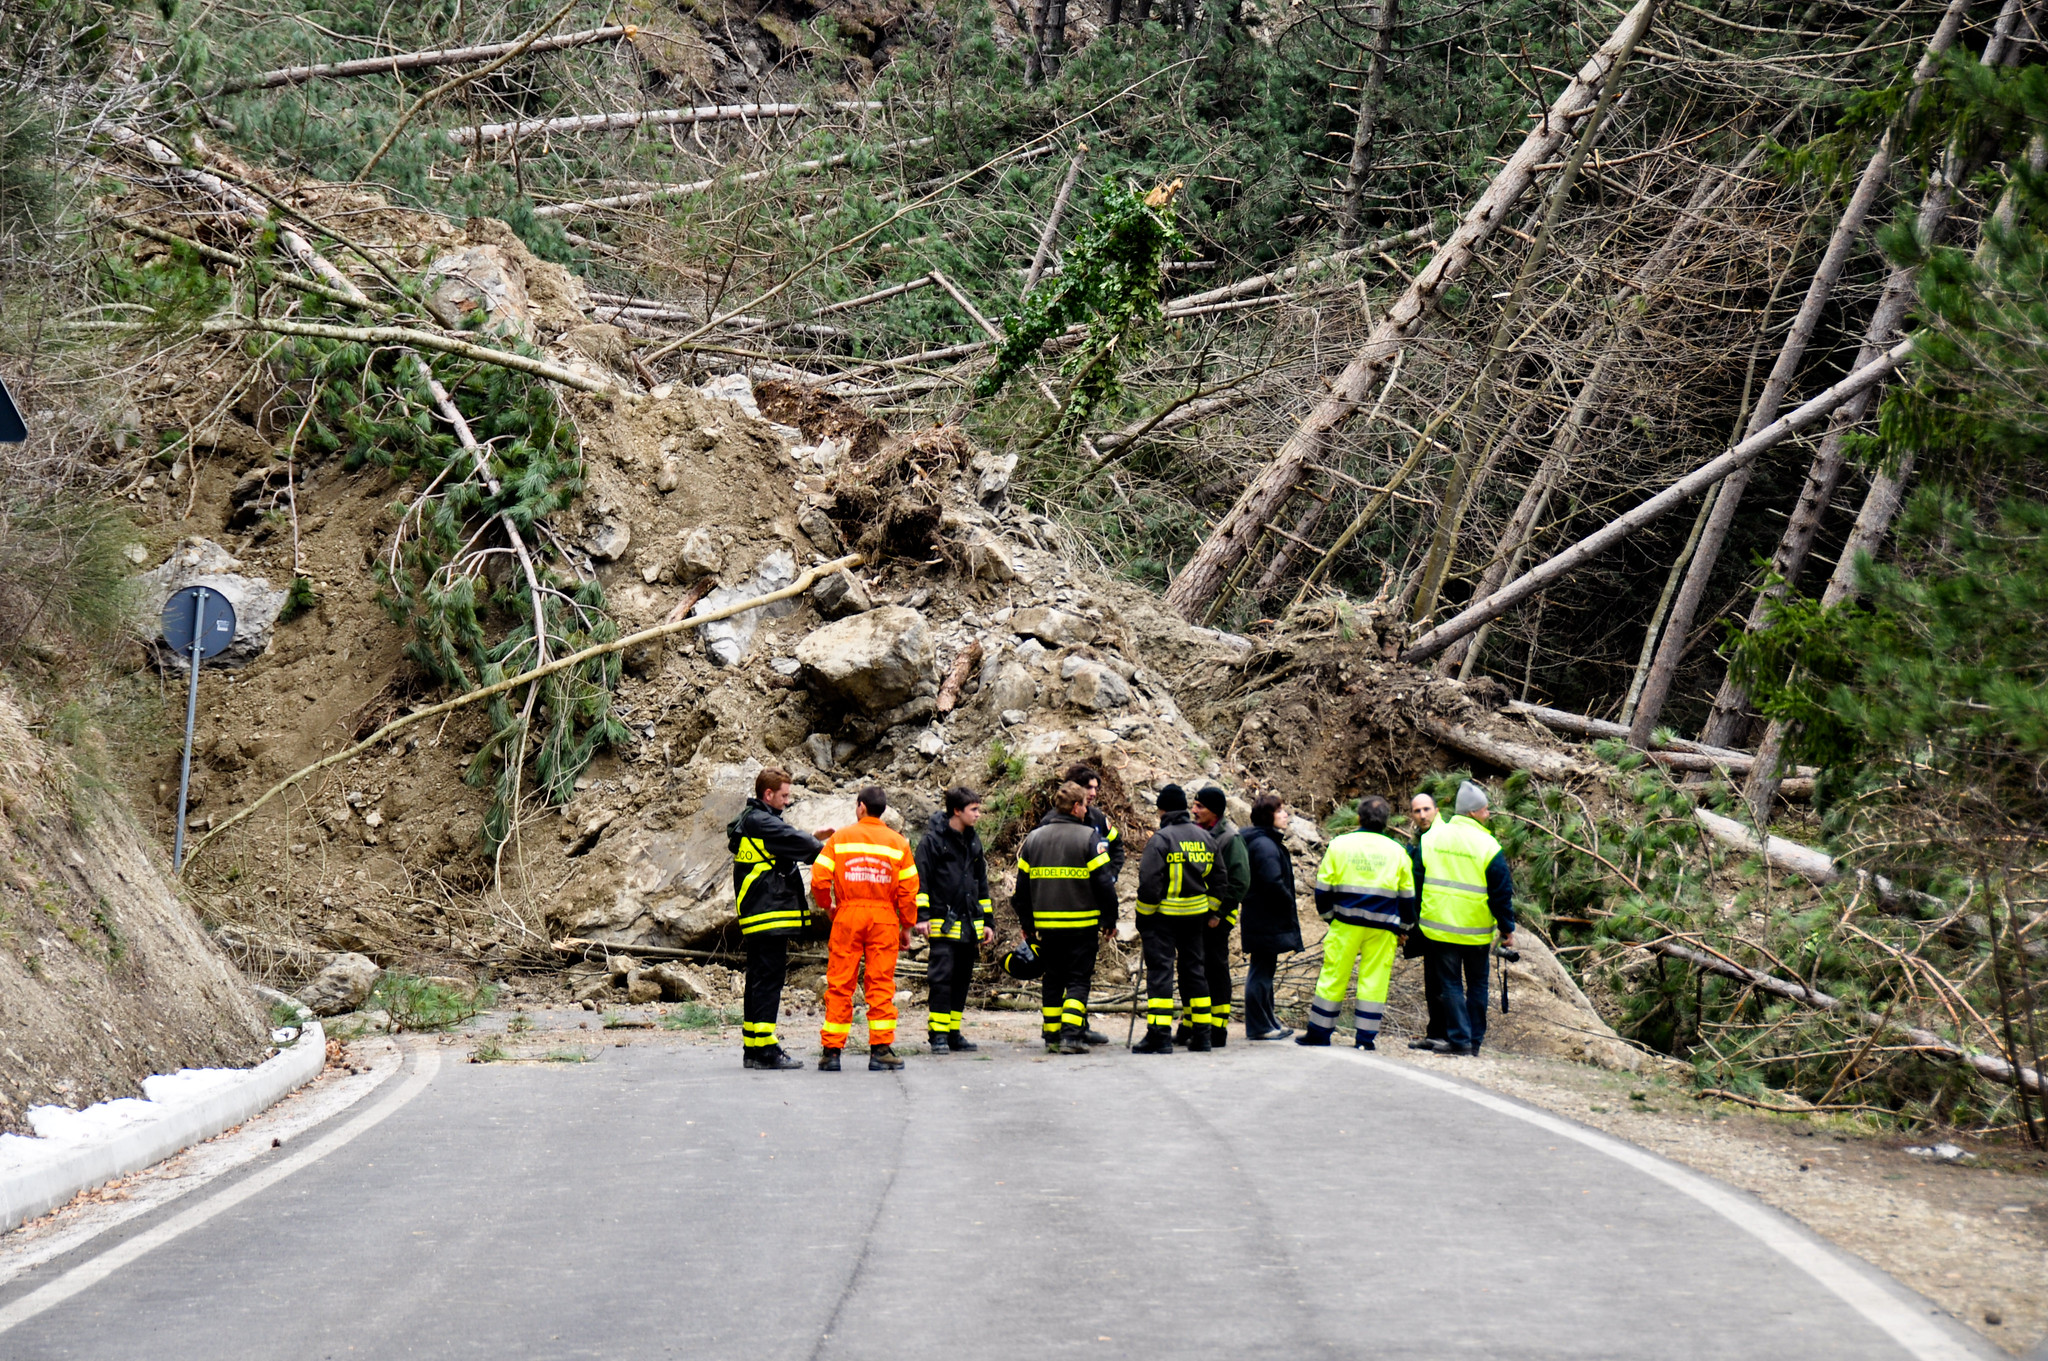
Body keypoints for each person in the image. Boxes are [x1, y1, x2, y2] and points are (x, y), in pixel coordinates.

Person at [727, 768, 834, 1071]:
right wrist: (831, 848)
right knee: (768, 981)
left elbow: (783, 847)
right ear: (768, 794)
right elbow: (800, 844)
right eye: (784, 795)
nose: (788, 801)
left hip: (759, 914)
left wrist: (811, 838)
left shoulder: (754, 822)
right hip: (767, 914)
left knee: (759, 981)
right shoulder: (762, 821)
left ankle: (753, 1047)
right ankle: (765, 1049)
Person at [812, 786, 920, 1072]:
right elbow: (909, 891)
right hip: (884, 918)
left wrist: (828, 906)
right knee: (881, 983)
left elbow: (819, 879)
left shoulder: (840, 838)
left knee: (839, 984)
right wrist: (907, 925)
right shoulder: (899, 843)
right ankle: (881, 1050)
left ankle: (831, 1052)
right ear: (882, 810)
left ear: (861, 807)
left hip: (847, 915)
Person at [1299, 794, 1413, 1050]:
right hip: (1383, 927)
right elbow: (1407, 896)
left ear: (1359, 818)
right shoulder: (1398, 851)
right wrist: (1404, 928)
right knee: (1374, 979)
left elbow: (1323, 888)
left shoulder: (1340, 844)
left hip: (1346, 922)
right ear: (1386, 822)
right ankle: (1365, 1039)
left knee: (1333, 974)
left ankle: (1319, 1033)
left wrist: (1329, 917)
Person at [1013, 781, 1118, 1053]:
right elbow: (1104, 883)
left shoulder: (1033, 839)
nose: (1087, 809)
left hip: (1047, 928)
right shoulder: (1088, 839)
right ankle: (1072, 1036)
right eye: (1084, 804)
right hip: (1081, 925)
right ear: (1075, 807)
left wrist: (1027, 924)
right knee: (1078, 980)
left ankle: (1051, 1036)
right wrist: (1110, 920)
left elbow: (1021, 889)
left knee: (1053, 979)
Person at [1417, 780, 1516, 1056]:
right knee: (1477, 985)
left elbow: (1418, 879)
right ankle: (1473, 1042)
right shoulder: (1489, 845)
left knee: (1450, 984)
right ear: (1473, 813)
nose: (1488, 814)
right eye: (1485, 810)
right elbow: (1501, 893)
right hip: (1475, 931)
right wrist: (1507, 929)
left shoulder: (1432, 838)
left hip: (1439, 928)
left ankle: (1458, 1039)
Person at [1132, 783, 1219, 1053]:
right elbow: (1220, 879)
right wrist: (1212, 910)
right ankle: (1203, 1036)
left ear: (1162, 810)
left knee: (1161, 974)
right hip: (1195, 919)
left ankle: (1159, 1036)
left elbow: (1149, 883)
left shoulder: (1161, 839)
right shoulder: (1206, 838)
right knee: (1195, 973)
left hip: (1163, 920)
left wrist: (1143, 916)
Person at [916, 786, 993, 1054]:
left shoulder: (973, 841)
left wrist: (988, 922)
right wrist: (922, 917)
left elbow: (981, 883)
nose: (978, 814)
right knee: (941, 979)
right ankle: (937, 1034)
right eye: (974, 809)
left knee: (961, 979)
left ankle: (952, 1033)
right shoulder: (933, 841)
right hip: (942, 922)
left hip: (970, 925)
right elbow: (920, 881)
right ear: (957, 811)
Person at [1237, 794, 1302, 1041]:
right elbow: (1272, 882)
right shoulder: (1264, 845)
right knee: (1261, 972)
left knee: (1265, 970)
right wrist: (1287, 902)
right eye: (1280, 811)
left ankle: (1268, 1020)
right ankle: (1259, 1026)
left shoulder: (1264, 841)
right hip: (1265, 917)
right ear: (1268, 816)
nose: (1285, 815)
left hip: (1262, 916)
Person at [1191, 786, 1250, 1048]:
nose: (1194, 811)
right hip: (1198, 915)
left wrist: (1220, 912)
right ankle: (1193, 1025)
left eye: (1200, 807)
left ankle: (1218, 1029)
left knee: (1215, 970)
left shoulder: (1229, 838)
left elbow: (1240, 881)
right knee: (1196, 971)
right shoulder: (1198, 833)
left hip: (1217, 918)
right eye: (1194, 805)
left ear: (1214, 811)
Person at [1404, 792, 1451, 1052]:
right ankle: (1436, 1033)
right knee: (1434, 981)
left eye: (1426, 809)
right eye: (1417, 811)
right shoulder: (1423, 839)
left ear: (1436, 809)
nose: (1422, 815)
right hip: (1431, 919)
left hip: (1442, 918)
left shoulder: (1439, 837)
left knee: (1443, 982)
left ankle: (1448, 1034)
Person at [1054, 762, 1125, 882]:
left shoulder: (1098, 819)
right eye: (1088, 787)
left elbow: (1117, 847)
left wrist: (1110, 876)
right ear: (1072, 787)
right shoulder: (1051, 822)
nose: (1093, 793)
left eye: (1096, 788)